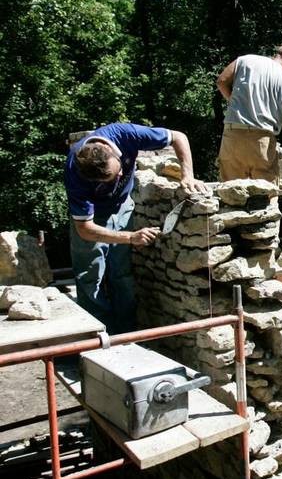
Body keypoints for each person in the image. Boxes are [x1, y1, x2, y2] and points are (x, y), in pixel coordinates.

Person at [64, 123, 208, 333]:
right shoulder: (74, 172)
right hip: (93, 218)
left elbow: (179, 136)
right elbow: (85, 228)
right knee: (89, 276)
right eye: (111, 178)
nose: (122, 174)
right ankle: (98, 337)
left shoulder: (126, 134)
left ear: (112, 150)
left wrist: (188, 175)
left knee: (121, 273)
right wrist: (130, 237)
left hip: (123, 205)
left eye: (119, 168)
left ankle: (126, 334)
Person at [215, 45, 282, 183]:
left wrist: (233, 101)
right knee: (266, 196)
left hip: (232, 135)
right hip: (261, 141)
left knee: (230, 194)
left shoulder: (246, 60)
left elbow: (221, 81)